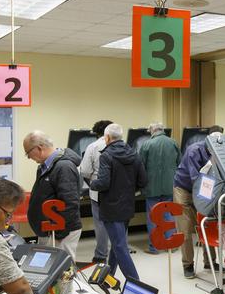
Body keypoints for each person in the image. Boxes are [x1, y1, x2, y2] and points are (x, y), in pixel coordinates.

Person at [90, 124, 146, 282]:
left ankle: (135, 284)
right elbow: (143, 180)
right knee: (117, 242)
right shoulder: (133, 153)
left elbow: (103, 183)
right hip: (127, 206)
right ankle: (109, 277)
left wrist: (92, 184)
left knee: (120, 247)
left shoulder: (106, 156)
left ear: (107, 138)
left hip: (111, 208)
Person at [173, 125, 223, 279]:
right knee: (186, 230)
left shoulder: (220, 150)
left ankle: (210, 262)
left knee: (207, 226)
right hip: (184, 190)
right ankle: (187, 265)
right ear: (207, 140)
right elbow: (196, 180)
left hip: (204, 190)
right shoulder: (194, 151)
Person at [24, 131, 83, 261]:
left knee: (62, 271)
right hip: (50, 230)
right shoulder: (44, 166)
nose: (28, 157)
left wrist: (60, 232)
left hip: (60, 231)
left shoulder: (64, 166)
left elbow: (70, 203)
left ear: (39, 148)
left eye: (28, 153)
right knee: (48, 268)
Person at [138, 122, 179, 254]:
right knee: (168, 215)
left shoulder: (146, 145)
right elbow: (179, 163)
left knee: (153, 217)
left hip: (152, 188)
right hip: (169, 186)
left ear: (152, 130)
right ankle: (171, 245)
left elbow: (141, 167)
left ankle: (154, 247)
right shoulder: (173, 143)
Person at [79, 119, 113, 263]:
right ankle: (120, 252)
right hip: (119, 193)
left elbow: (85, 170)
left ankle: (101, 255)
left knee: (100, 224)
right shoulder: (123, 146)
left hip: (98, 193)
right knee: (119, 223)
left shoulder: (93, 147)